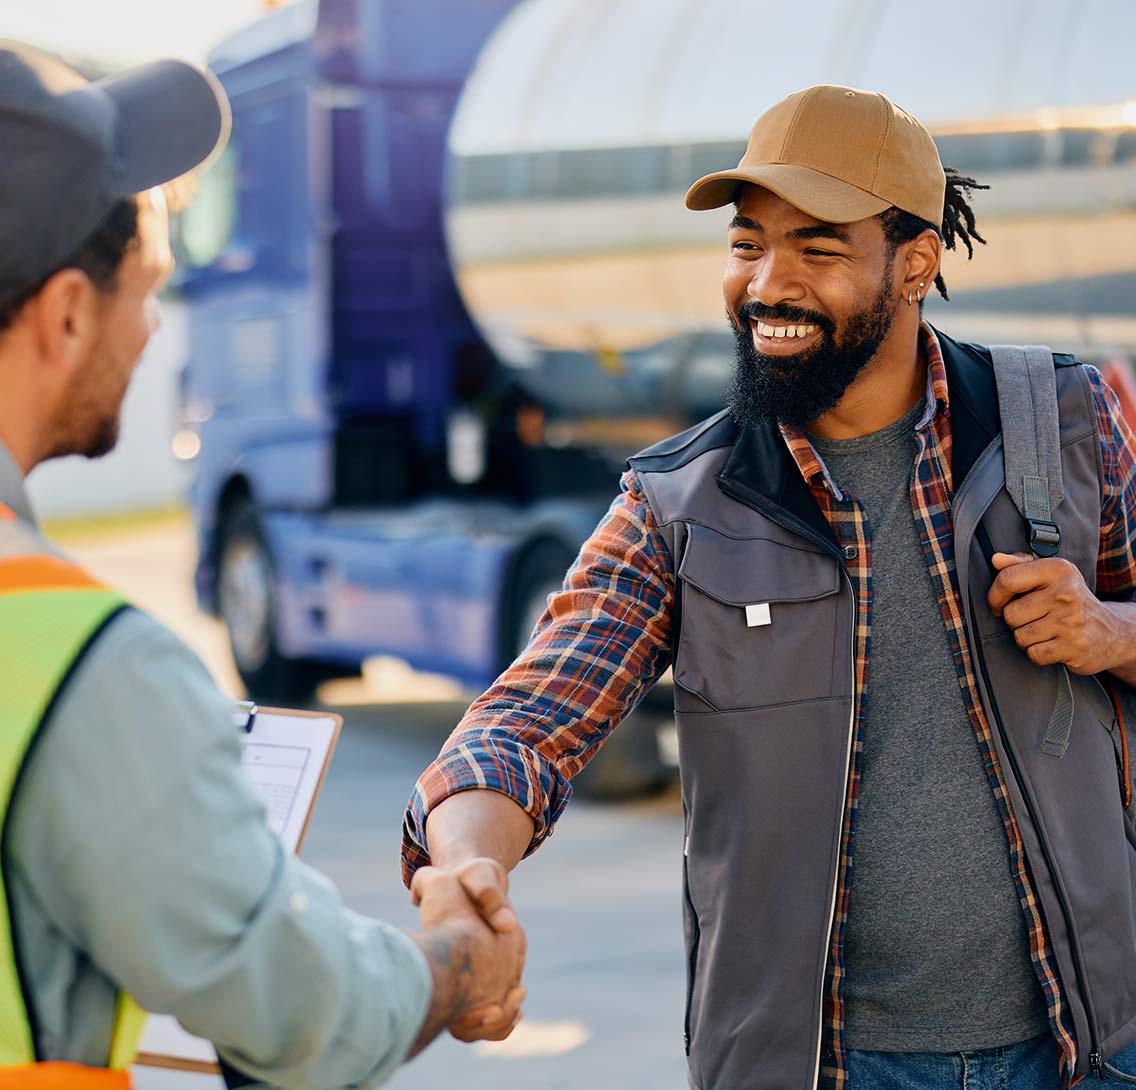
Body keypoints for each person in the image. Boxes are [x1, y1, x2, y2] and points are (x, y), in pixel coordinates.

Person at [402, 84, 1136, 1090]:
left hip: (1086, 1048)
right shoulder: (679, 504)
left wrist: (1111, 630)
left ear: (914, 263)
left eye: (816, 249)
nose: (765, 283)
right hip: (819, 1069)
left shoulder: (1066, 421)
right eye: (747, 244)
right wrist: (466, 870)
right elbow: (525, 721)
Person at [0, 42, 524, 1089]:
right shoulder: (70, 659)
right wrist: (460, 962)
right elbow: (301, 1009)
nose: (153, 330)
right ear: (65, 314)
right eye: (146, 289)